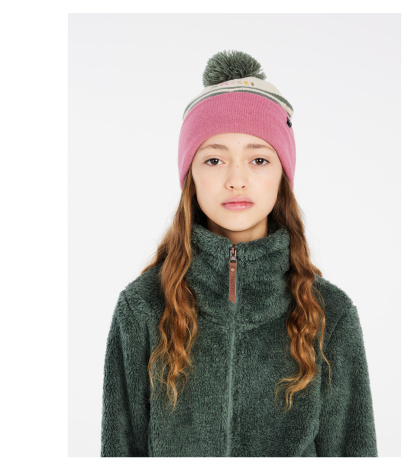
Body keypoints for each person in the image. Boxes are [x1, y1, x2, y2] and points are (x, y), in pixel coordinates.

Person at [100, 49, 378, 457]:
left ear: (282, 175)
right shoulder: (142, 307)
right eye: (214, 159)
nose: (236, 179)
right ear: (191, 175)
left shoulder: (330, 315)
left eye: (259, 159)